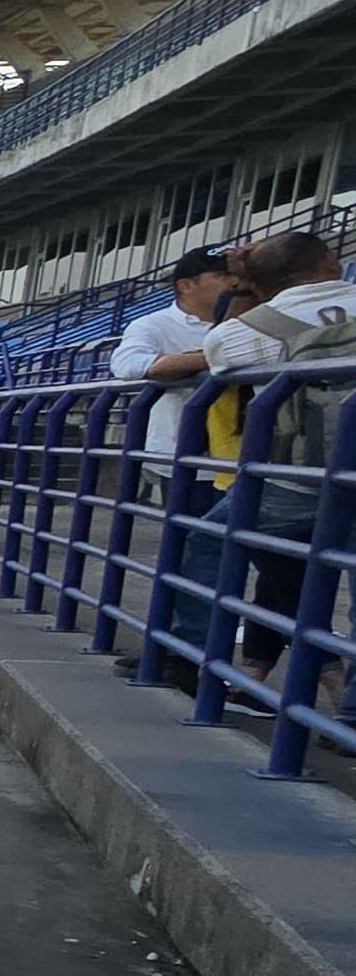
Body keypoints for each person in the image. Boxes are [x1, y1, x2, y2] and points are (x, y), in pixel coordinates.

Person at [202, 231, 356, 683]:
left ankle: (184, 656)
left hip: (300, 477)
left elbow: (217, 355)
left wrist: (246, 288)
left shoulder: (247, 329)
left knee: (208, 539)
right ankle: (348, 711)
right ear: (330, 262)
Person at [112, 248, 237, 460]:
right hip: (174, 453)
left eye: (236, 274)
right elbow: (127, 364)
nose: (234, 281)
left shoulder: (249, 321)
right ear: (186, 285)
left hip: (241, 455)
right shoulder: (153, 324)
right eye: (222, 275)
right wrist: (222, 358)